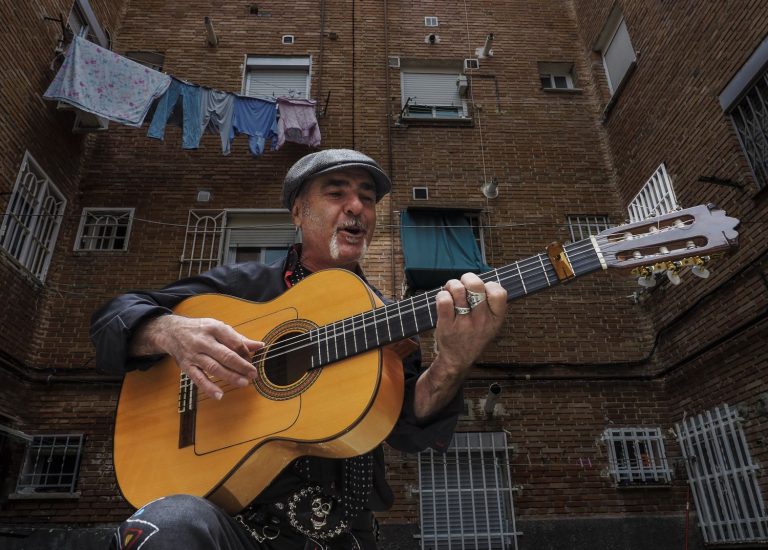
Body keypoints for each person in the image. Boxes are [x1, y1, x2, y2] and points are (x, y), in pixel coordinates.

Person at [91, 149, 507, 550]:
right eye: (336, 192)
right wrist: (168, 330)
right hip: (231, 526)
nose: (356, 206)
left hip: (341, 532)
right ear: (297, 213)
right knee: (164, 526)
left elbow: (409, 425)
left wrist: (452, 362)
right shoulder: (245, 287)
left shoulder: (385, 321)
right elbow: (115, 315)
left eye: (367, 197)